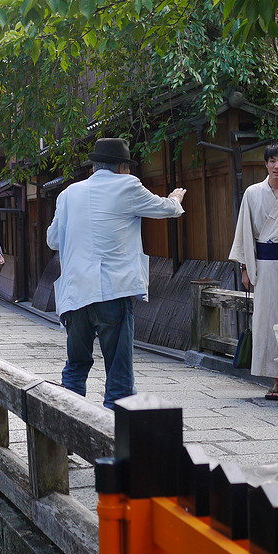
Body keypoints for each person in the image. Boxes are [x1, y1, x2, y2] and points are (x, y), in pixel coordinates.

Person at [46, 137, 186, 409]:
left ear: (95, 166)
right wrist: (176, 198)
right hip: (112, 291)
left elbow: (53, 240)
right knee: (119, 379)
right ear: (122, 167)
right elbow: (166, 209)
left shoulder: (67, 194)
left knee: (75, 369)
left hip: (74, 295)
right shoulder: (127, 185)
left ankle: (65, 439)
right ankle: (114, 444)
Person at [229, 142, 278, 400]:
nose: (277, 166)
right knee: (269, 321)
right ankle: (276, 381)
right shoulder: (252, 193)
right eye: (272, 161)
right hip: (263, 266)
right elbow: (244, 233)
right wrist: (245, 268)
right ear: (265, 164)